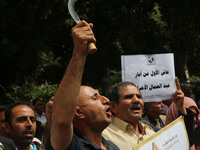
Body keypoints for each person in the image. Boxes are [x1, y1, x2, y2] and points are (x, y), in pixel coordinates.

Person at [46, 20, 119, 150]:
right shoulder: (72, 145)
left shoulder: (112, 146)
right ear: (79, 112)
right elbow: (62, 121)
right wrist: (79, 53)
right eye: (95, 98)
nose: (106, 100)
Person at [102, 77, 186, 150]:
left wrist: (181, 106)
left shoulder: (151, 132)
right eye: (128, 97)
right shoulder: (104, 137)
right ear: (113, 106)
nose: (136, 100)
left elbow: (182, 140)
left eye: (139, 96)